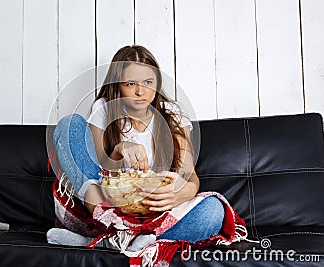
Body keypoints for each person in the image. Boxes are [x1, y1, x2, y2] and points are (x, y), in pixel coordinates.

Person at [48, 45, 224, 247]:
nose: (141, 92)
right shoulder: (104, 109)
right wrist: (118, 149)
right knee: (69, 124)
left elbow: (190, 175)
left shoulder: (172, 112)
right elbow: (94, 170)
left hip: (154, 212)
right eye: (131, 83)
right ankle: (122, 237)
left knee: (213, 211)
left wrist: (185, 192)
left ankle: (108, 242)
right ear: (117, 84)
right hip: (106, 208)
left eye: (148, 82)